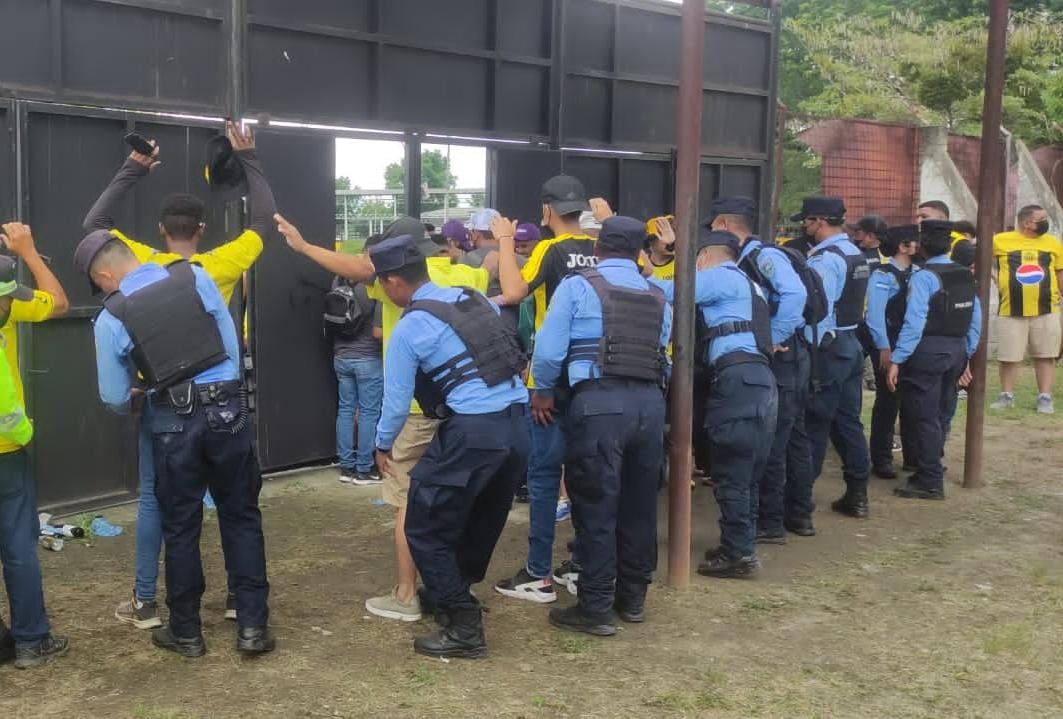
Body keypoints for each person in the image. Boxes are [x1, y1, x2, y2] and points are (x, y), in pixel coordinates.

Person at [82, 122, 275, 628]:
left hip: (167, 402)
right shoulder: (218, 265)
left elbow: (95, 224)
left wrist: (133, 168)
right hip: (223, 394)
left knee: (162, 505)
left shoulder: (141, 263)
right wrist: (249, 158)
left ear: (161, 231)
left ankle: (150, 601)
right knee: (237, 506)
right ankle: (240, 602)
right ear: (202, 229)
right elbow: (263, 218)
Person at [276, 214, 489, 622]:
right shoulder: (463, 274)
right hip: (460, 408)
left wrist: (303, 247)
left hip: (412, 413)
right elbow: (508, 287)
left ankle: (406, 594)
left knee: (408, 504)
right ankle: (452, 588)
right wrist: (502, 242)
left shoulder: (391, 281)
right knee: (454, 500)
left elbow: (357, 268)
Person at [368, 235, 529, 658]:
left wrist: (382, 445)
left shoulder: (408, 328)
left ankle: (464, 627)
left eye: (383, 283)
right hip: (518, 424)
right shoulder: (472, 297)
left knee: (422, 523)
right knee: (479, 519)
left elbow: (397, 400)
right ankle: (452, 594)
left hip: (474, 430)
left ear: (392, 282)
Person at [528, 216, 670, 635]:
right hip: (649, 405)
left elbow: (550, 350)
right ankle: (633, 599)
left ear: (598, 249)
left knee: (595, 504)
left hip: (598, 405)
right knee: (640, 505)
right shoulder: (658, 295)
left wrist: (543, 391)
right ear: (639, 253)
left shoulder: (577, 286)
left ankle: (594, 607)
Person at [492, 175, 597, 603]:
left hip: (550, 379)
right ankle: (582, 564)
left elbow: (516, 291)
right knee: (588, 473)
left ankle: (538, 573)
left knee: (543, 474)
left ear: (548, 211)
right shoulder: (598, 248)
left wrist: (502, 241)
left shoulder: (548, 249)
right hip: (593, 376)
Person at [653, 229, 777, 577]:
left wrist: (640, 269)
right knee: (748, 474)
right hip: (760, 381)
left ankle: (739, 555)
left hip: (737, 379)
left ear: (705, 257)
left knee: (732, 472)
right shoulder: (751, 285)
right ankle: (741, 545)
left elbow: (671, 293)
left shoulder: (722, 276)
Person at [709, 198, 810, 544]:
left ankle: (772, 522)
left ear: (723, 224)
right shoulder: (743, 261)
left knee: (773, 444)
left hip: (780, 358)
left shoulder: (761, 255)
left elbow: (795, 295)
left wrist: (770, 339)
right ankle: (769, 522)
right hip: (770, 360)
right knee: (768, 443)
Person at [0, 250, 68, 670]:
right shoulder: (4, 316)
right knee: (19, 546)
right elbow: (58, 301)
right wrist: (29, 250)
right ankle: (30, 639)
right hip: (7, 453)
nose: (7, 307)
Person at [886, 220, 981, 499]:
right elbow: (976, 320)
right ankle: (931, 467)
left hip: (928, 352)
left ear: (922, 247)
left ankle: (929, 478)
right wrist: (967, 355)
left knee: (924, 416)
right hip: (956, 350)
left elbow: (914, 323)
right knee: (941, 412)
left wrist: (898, 359)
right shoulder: (965, 275)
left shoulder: (924, 277)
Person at [794, 197, 872, 521]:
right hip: (851, 342)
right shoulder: (856, 253)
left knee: (814, 422)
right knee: (848, 421)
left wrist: (806, 345)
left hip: (828, 345)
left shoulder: (825, 260)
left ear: (820, 220)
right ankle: (858, 494)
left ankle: (799, 503)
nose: (804, 228)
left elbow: (818, 311)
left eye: (806, 222)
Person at [990, 205, 1062, 414]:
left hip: (1047, 308)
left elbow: (1059, 272)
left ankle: (1045, 397)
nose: (1045, 221)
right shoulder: (1001, 240)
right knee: (1009, 355)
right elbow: (981, 258)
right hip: (1011, 309)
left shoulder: (1052, 243)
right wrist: (996, 278)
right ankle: (1006, 395)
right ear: (1026, 223)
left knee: (1046, 354)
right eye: (1041, 218)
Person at [327, 236, 384, 485]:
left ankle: (346, 466)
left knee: (346, 409)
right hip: (368, 357)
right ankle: (364, 468)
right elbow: (378, 332)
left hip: (341, 356)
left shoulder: (338, 279)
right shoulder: (375, 284)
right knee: (370, 412)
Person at [865, 225, 920, 479]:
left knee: (912, 402)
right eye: (915, 242)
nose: (920, 246)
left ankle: (912, 456)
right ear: (903, 246)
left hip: (912, 343)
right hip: (889, 342)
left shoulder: (919, 272)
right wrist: (883, 348)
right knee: (888, 403)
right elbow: (875, 316)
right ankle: (881, 458)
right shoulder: (882, 275)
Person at [645, 215, 677, 280]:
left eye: (674, 232)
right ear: (651, 241)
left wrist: (672, 245)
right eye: (663, 234)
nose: (672, 237)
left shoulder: (683, 262)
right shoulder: (641, 263)